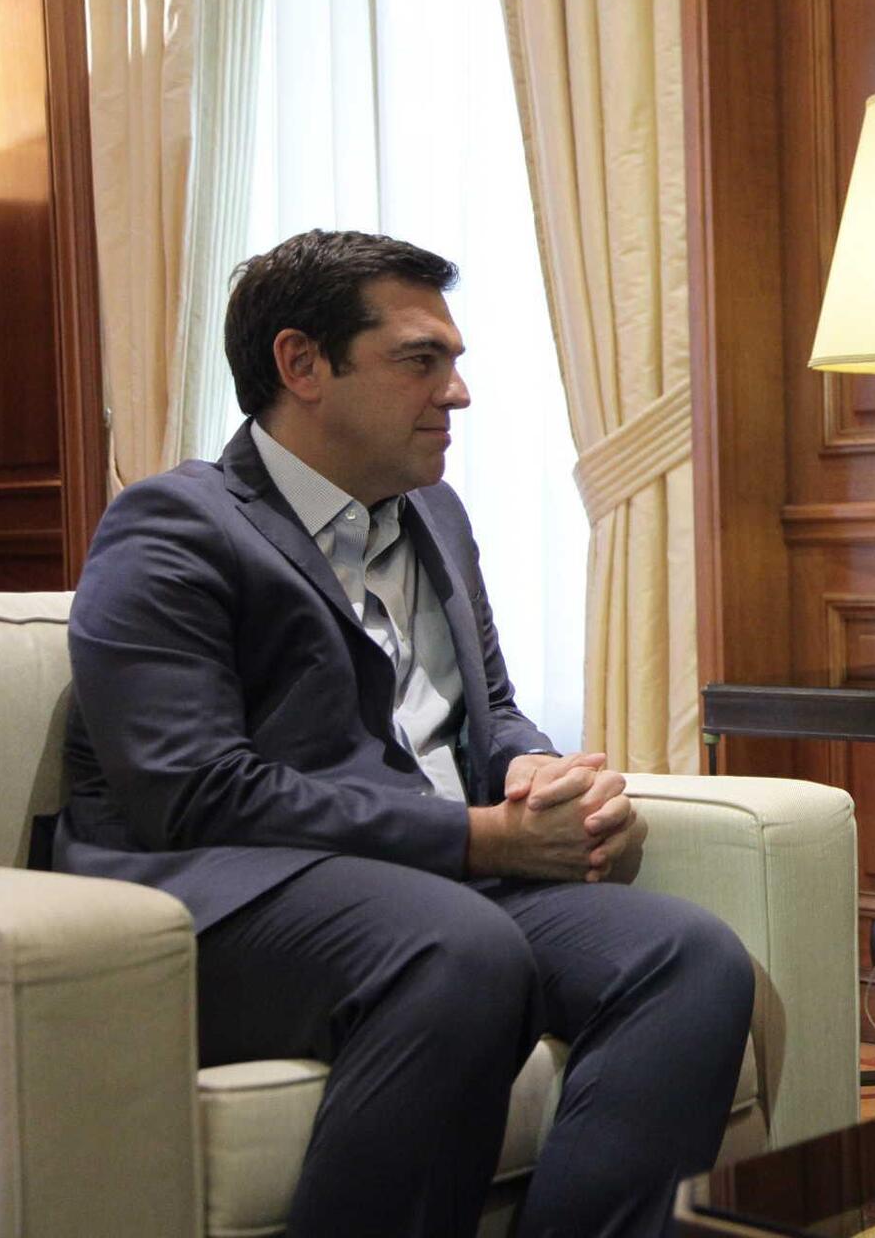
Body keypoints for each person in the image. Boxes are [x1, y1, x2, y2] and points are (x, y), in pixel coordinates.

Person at [55, 230, 754, 1237]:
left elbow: (488, 709)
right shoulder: (173, 527)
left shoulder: (435, 513)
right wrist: (480, 838)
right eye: (421, 360)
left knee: (688, 956)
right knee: (462, 950)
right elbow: (194, 789)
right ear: (302, 364)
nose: (457, 392)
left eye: (454, 361)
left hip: (423, 884)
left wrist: (539, 776)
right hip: (224, 897)